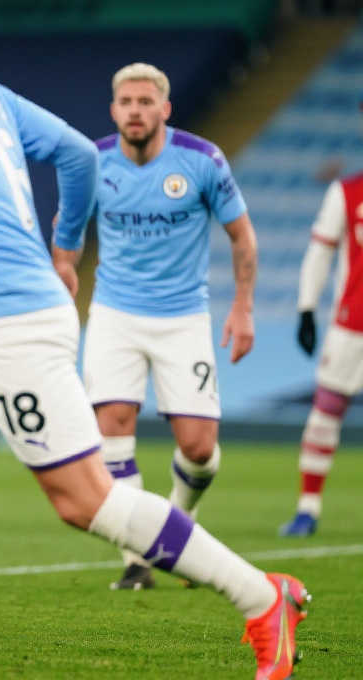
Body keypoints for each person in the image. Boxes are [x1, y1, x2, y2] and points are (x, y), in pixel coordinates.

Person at [0, 0, 308, 678]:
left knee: (86, 501)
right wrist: (66, 251)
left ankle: (262, 597)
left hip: (9, 323)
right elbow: (77, 153)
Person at [82, 62, 259, 590]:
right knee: (112, 429)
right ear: (113, 110)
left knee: (200, 450)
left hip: (183, 317)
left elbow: (242, 235)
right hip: (114, 315)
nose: (135, 111)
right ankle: (138, 557)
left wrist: (243, 308)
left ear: (165, 108)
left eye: (145, 102)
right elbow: (65, 231)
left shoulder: (202, 161)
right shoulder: (93, 162)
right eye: (126, 102)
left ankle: (178, 520)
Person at [280, 169, 363, 536]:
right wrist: (306, 308)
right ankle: (307, 509)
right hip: (351, 325)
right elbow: (320, 251)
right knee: (325, 413)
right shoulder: (347, 192)